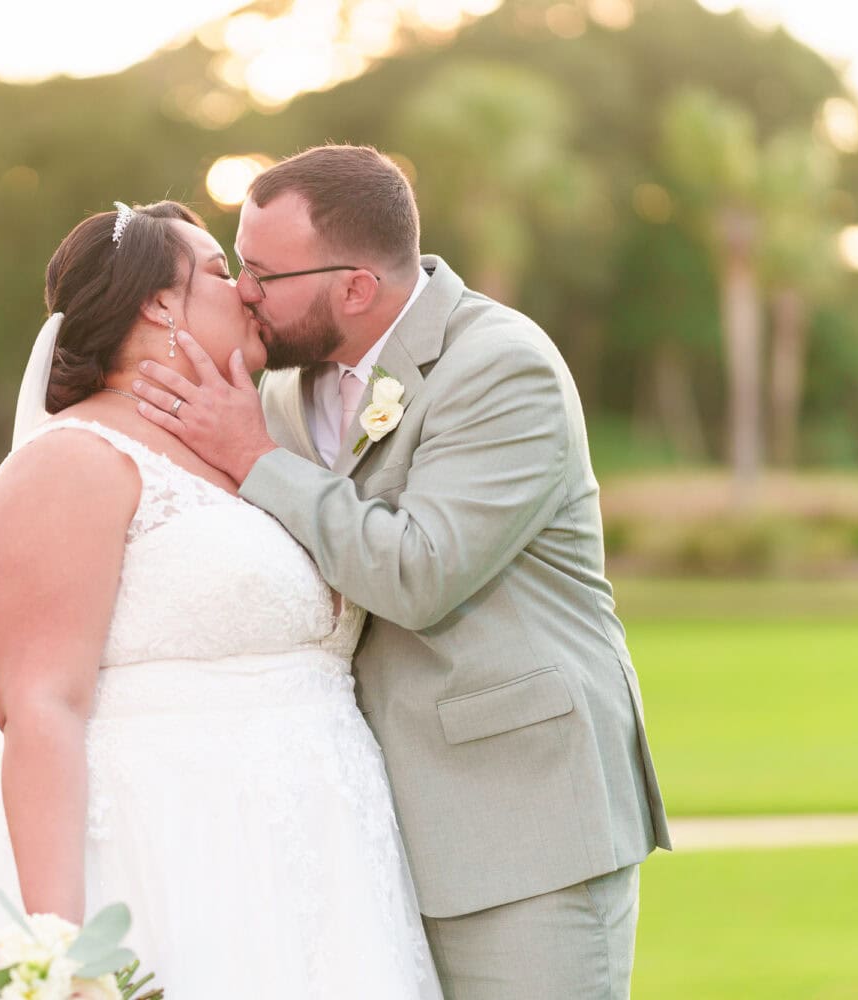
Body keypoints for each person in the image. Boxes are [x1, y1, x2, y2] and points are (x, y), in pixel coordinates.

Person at [134, 145, 672, 999]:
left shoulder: (501, 366)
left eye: (265, 273)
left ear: (354, 286)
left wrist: (252, 456)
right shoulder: (276, 392)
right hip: (357, 842)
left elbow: (421, 572)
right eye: (240, 264)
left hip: (520, 827)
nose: (243, 290)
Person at [0, 199, 444, 999]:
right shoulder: (71, 461)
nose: (253, 292)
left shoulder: (257, 451)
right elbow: (42, 707)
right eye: (226, 273)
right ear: (159, 302)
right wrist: (62, 957)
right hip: (178, 864)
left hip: (331, 874)